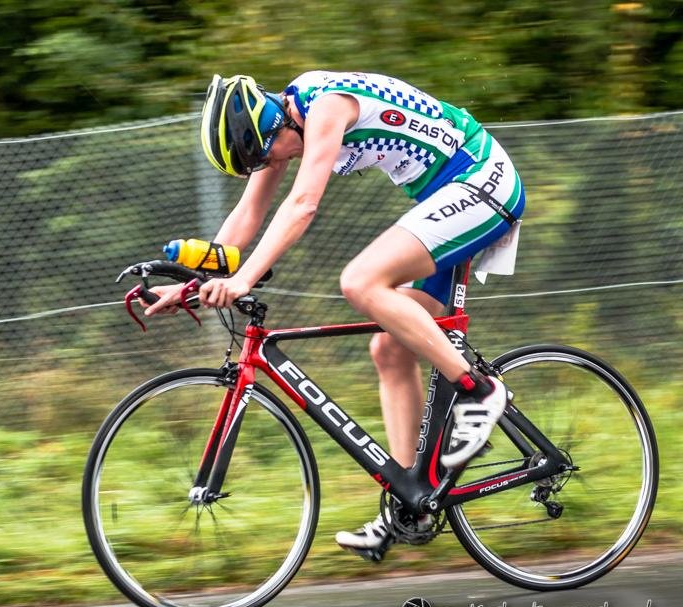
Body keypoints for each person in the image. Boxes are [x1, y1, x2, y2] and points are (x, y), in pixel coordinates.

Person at [145, 71, 525, 555]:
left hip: (480, 181)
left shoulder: (326, 105)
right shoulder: (283, 126)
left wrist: (242, 279)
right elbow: (246, 220)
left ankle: (480, 391)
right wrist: (192, 283)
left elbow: (302, 205)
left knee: (361, 281)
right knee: (389, 347)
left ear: (274, 122)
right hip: (446, 199)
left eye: (267, 153)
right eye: (258, 161)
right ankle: (411, 498)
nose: (272, 162)